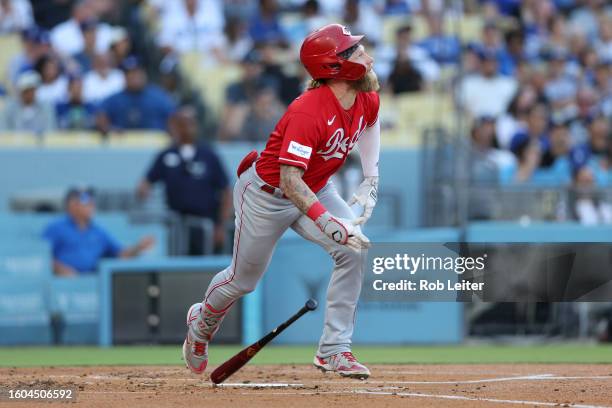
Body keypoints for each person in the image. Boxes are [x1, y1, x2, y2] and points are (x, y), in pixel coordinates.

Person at [182, 24, 380, 379]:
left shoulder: (366, 95)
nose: (366, 55)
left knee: (355, 249)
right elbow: (290, 180)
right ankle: (201, 324)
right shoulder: (309, 110)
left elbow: (371, 122)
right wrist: (325, 221)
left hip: (316, 187)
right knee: (243, 281)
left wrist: (371, 174)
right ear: (334, 66)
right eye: (355, 51)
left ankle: (334, 350)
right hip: (267, 194)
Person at [137, 106, 231, 255]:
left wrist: (221, 225)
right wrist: (143, 191)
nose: (186, 128)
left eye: (190, 123)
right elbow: (146, 182)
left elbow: (226, 190)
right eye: (182, 123)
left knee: (204, 267)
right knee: (178, 263)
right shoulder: (166, 155)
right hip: (177, 225)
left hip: (204, 224)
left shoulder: (208, 155)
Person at [42, 187, 155, 276]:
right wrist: (60, 269)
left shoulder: (98, 232)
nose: (91, 205)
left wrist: (139, 247)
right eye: (85, 201)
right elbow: (40, 257)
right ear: (72, 205)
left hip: (91, 285)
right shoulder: (56, 228)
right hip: (61, 286)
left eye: (92, 201)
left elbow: (122, 254)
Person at [96, 56, 176, 132]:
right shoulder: (114, 100)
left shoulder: (160, 98)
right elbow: (100, 118)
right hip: (122, 145)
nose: (134, 76)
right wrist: (108, 129)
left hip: (155, 144)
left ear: (144, 73)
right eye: (130, 73)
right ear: (124, 77)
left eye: (137, 72)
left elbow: (174, 119)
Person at [0, 70, 56, 135]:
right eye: (26, 91)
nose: (29, 93)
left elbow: (50, 131)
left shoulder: (46, 108)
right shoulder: (9, 109)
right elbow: (4, 131)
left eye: (31, 90)